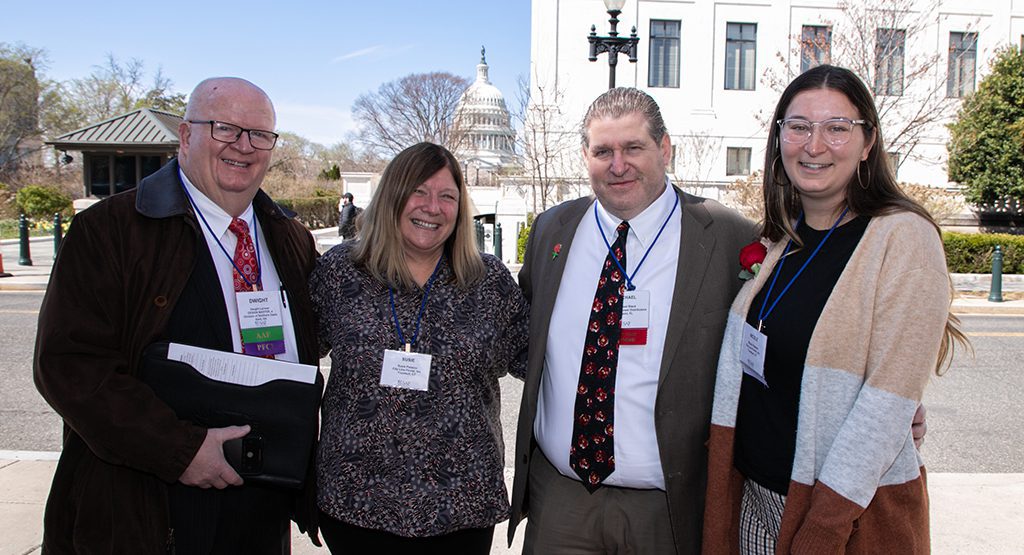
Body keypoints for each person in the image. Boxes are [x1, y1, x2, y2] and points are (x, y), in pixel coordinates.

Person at [34, 77, 322, 553]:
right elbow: (70, 367)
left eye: (260, 135)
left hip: (263, 501)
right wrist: (180, 451)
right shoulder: (111, 230)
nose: (244, 147)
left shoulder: (288, 238)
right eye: (226, 129)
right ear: (186, 136)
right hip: (148, 503)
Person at [702, 64, 966, 554]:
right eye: (798, 126)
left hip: (842, 516)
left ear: (868, 143)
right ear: (779, 138)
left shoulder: (904, 237)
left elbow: (884, 410)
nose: (814, 145)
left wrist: (822, 531)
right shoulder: (782, 237)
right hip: (757, 498)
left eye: (837, 128)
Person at [507, 87, 757, 554]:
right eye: (603, 151)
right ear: (585, 155)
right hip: (561, 499)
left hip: (668, 508)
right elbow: (519, 333)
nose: (618, 165)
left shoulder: (728, 237)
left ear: (664, 149)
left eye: (633, 148)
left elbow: (778, 334)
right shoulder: (551, 230)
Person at [309, 142, 529, 552]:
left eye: (447, 196)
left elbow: (535, 359)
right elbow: (296, 352)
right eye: (419, 192)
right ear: (393, 195)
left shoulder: (489, 283)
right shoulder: (339, 273)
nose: (433, 207)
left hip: (461, 504)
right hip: (357, 502)